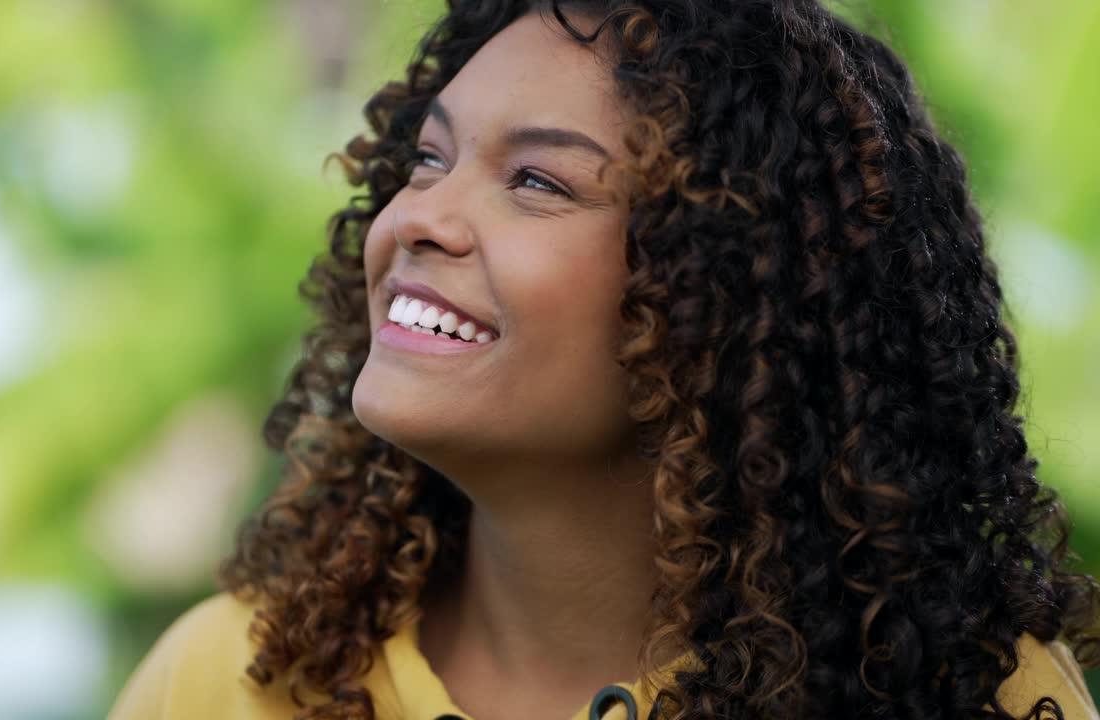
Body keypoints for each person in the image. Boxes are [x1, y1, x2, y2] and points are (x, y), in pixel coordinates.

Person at [107, 1, 1100, 718]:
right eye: (426, 157)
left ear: (722, 291)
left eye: (536, 180)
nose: (421, 219)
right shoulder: (229, 680)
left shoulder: (970, 693)